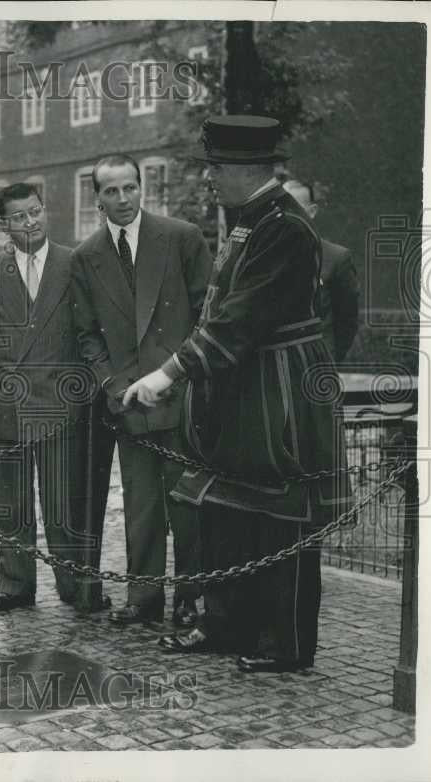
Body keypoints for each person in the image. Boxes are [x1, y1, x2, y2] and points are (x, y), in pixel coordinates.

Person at [123, 116, 352, 673]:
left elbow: (238, 321)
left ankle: (286, 643)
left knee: (281, 515)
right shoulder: (254, 220)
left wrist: (168, 373)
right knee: (230, 511)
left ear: (249, 169)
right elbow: (222, 315)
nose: (210, 180)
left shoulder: (284, 227)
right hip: (247, 386)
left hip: (277, 393)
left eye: (217, 169)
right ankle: (229, 625)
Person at [71, 154, 212, 626]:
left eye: (129, 187)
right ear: (98, 200)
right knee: (141, 505)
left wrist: (175, 375)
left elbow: (206, 317)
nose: (123, 198)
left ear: (141, 187)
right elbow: (87, 333)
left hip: (181, 397)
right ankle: (144, 598)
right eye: (111, 191)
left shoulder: (180, 238)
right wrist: (115, 385)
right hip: (128, 403)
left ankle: (191, 598)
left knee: (188, 506)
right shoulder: (87, 257)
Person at [0, 182, 87, 612]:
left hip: (60, 407)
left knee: (63, 506)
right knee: (11, 509)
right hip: (9, 410)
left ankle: (76, 588)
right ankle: (16, 588)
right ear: (4, 224)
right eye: (19, 216)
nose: (30, 221)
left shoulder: (74, 265)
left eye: (35, 211)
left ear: (45, 210)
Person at [281, 178, 360, 362]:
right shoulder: (265, 255)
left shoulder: (335, 258)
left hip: (317, 366)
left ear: (312, 211)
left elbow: (347, 320)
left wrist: (329, 359)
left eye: (294, 207)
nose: (286, 214)